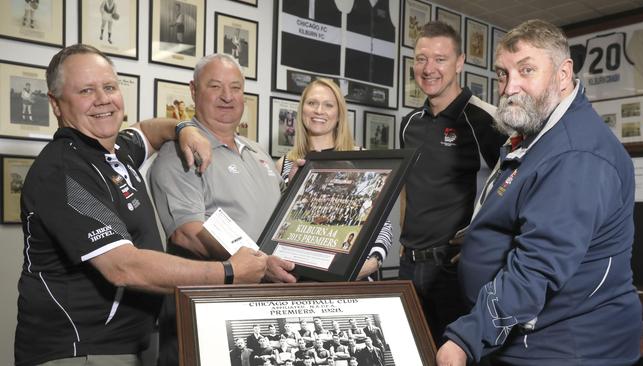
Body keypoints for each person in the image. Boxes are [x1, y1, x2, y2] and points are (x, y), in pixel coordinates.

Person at [14, 44, 267, 366]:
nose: (103, 99)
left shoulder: (116, 149)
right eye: (86, 91)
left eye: (109, 87)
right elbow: (124, 267)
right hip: (82, 350)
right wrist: (230, 272)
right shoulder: (65, 171)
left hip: (131, 342)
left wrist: (183, 128)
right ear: (56, 103)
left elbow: (148, 130)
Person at [436, 20, 642, 366]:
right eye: (503, 74)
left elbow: (539, 266)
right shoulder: (539, 135)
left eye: (526, 70)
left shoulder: (577, 154)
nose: (509, 87)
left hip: (567, 350)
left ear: (563, 75)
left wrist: (466, 339)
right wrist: (480, 241)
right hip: (533, 343)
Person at [149, 53, 296, 366]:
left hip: (267, 308)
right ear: (193, 90)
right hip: (208, 312)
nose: (227, 97)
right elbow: (188, 233)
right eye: (215, 86)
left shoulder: (258, 152)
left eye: (236, 87)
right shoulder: (178, 154)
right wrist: (260, 264)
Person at [398, 21, 507, 345]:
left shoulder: (487, 120)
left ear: (460, 62)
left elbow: (512, 187)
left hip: (455, 271)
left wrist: (481, 241)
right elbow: (408, 191)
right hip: (408, 267)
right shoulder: (409, 124)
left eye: (440, 59)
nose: (428, 68)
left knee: (456, 355)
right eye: (421, 58)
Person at [276, 78, 393, 280]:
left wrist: (371, 263)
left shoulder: (362, 159)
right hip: (300, 276)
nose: (319, 111)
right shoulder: (284, 164)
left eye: (328, 105)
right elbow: (278, 225)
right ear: (302, 109)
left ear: (339, 114)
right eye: (312, 103)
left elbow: (383, 224)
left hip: (353, 277)